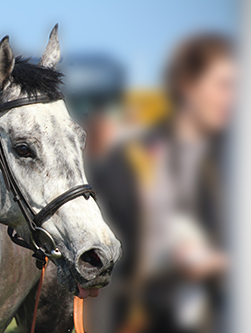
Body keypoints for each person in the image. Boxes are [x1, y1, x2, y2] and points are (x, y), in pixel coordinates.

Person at [89, 33, 235, 333]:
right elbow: (102, 236)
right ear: (187, 85)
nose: (232, 98)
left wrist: (223, 263)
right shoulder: (129, 161)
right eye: (223, 85)